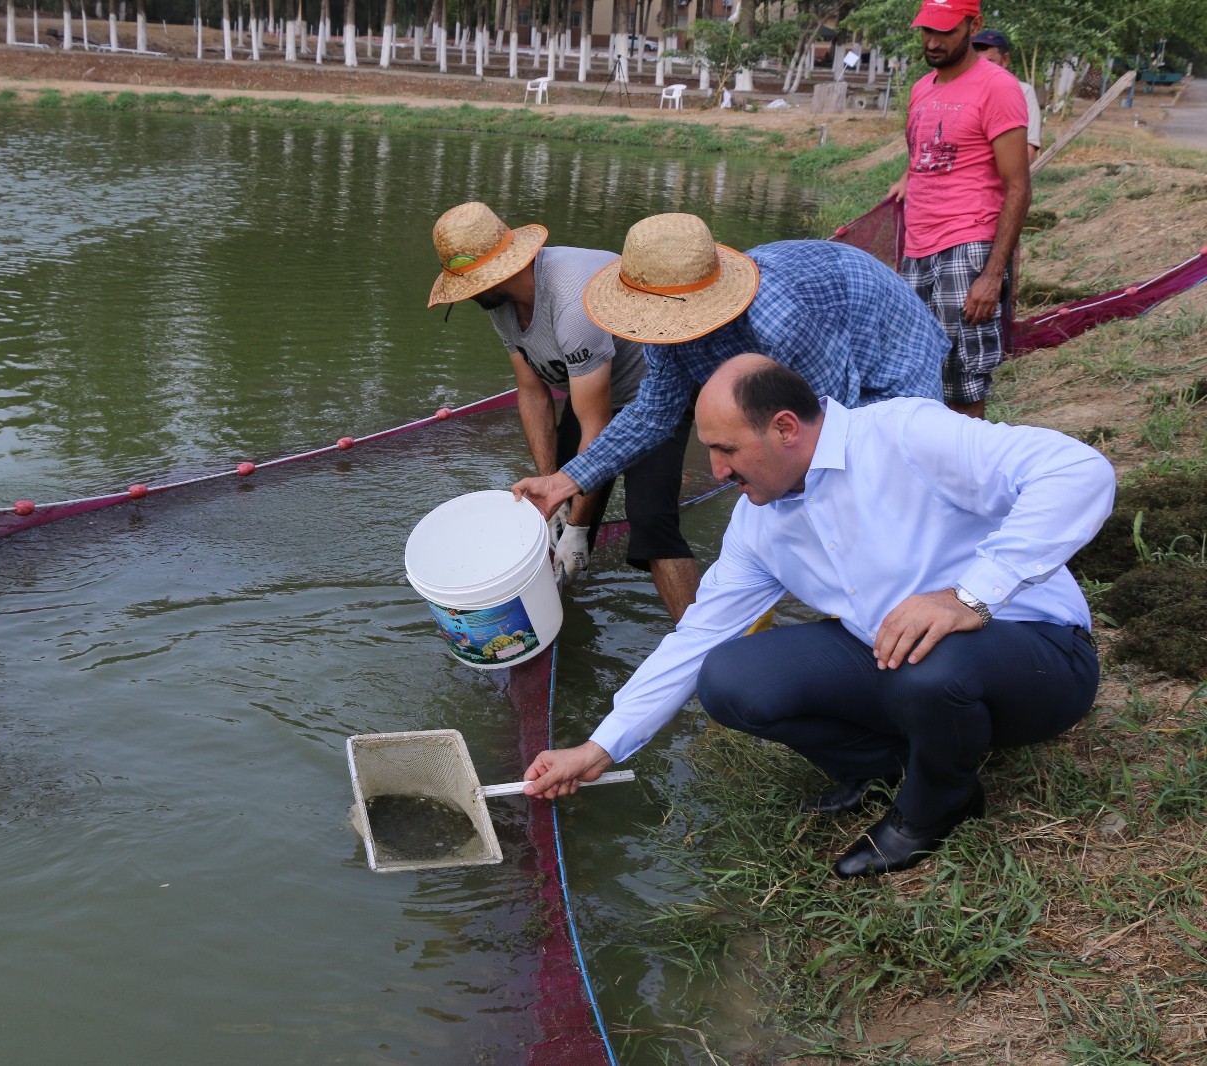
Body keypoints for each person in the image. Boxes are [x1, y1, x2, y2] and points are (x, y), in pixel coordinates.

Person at [522, 355, 1114, 878]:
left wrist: (967, 596)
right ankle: (893, 766)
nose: (718, 471)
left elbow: (1077, 473)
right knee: (729, 680)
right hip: (900, 660)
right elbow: (696, 637)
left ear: (785, 429)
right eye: (711, 450)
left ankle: (939, 804)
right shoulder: (758, 523)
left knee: (928, 665)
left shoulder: (904, 434)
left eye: (727, 449)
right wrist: (598, 750)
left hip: (1039, 655)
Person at [511, 213, 950, 566]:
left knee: (889, 471)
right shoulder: (660, 331)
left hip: (884, 335)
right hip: (825, 332)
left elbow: (836, 422)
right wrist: (563, 481)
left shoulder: (779, 321)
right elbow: (651, 416)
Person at [428, 201, 699, 621]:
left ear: (502, 268)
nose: (467, 295)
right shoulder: (499, 304)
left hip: (653, 394)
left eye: (471, 283)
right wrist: (553, 492)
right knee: (558, 509)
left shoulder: (572, 302)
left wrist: (576, 526)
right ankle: (563, 608)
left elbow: (598, 421)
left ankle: (701, 640)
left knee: (650, 520)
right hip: (589, 393)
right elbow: (532, 393)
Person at [889, 0, 1030, 420]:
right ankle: (932, 477)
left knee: (964, 383)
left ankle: (969, 479)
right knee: (915, 375)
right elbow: (925, 155)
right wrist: (906, 178)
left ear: (975, 25)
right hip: (916, 250)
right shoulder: (921, 88)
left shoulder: (998, 86)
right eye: (927, 31)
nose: (933, 41)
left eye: (946, 31)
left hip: (968, 249)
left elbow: (1019, 187)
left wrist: (992, 275)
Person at [973, 28, 1042, 165]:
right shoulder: (964, 92)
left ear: (1005, 60)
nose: (982, 68)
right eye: (976, 62)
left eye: (990, 61)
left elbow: (1029, 146)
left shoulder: (1023, 92)